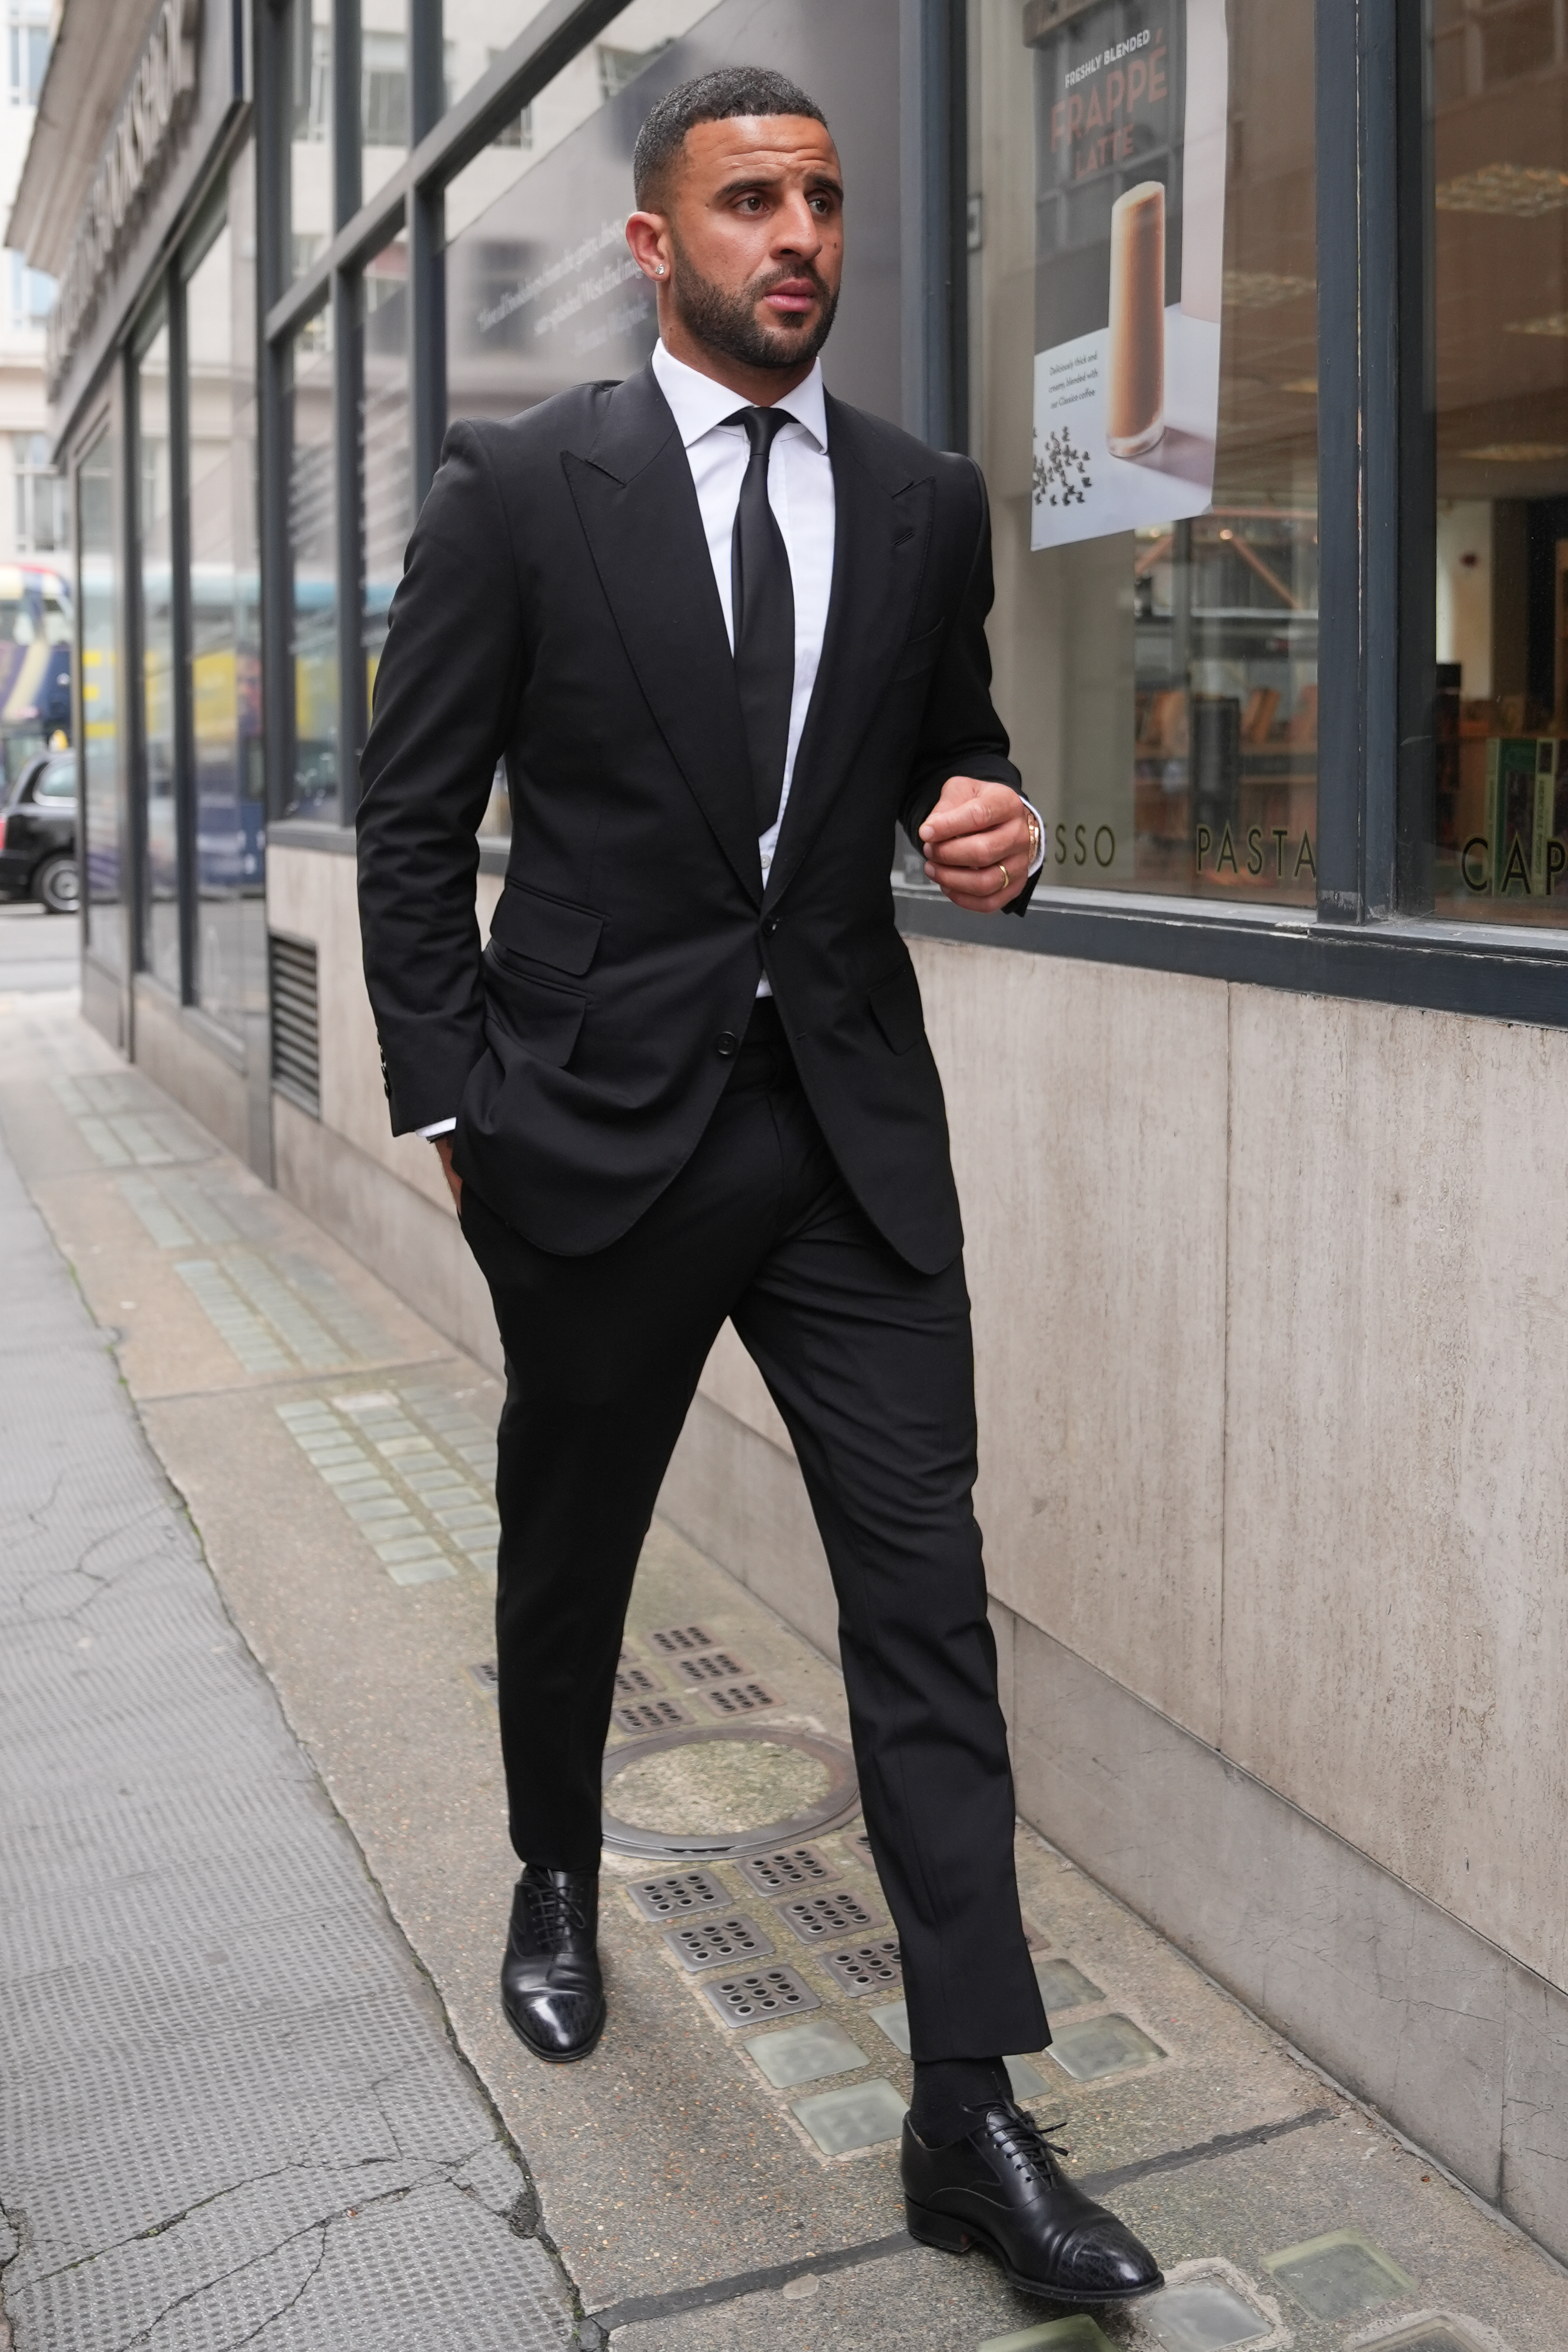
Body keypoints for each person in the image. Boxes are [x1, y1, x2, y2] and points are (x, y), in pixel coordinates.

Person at [356, 65, 1162, 2311]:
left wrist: (984, 822)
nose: (796, 233)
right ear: (654, 245)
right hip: (593, 1144)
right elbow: (409, 825)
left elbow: (951, 759)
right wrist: (452, 1114)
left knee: (924, 1605)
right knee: (569, 1550)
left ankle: (967, 2112)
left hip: (844, 1151)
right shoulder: (524, 490)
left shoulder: (920, 500)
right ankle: (550, 1870)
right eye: (747, 201)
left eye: (817, 198)